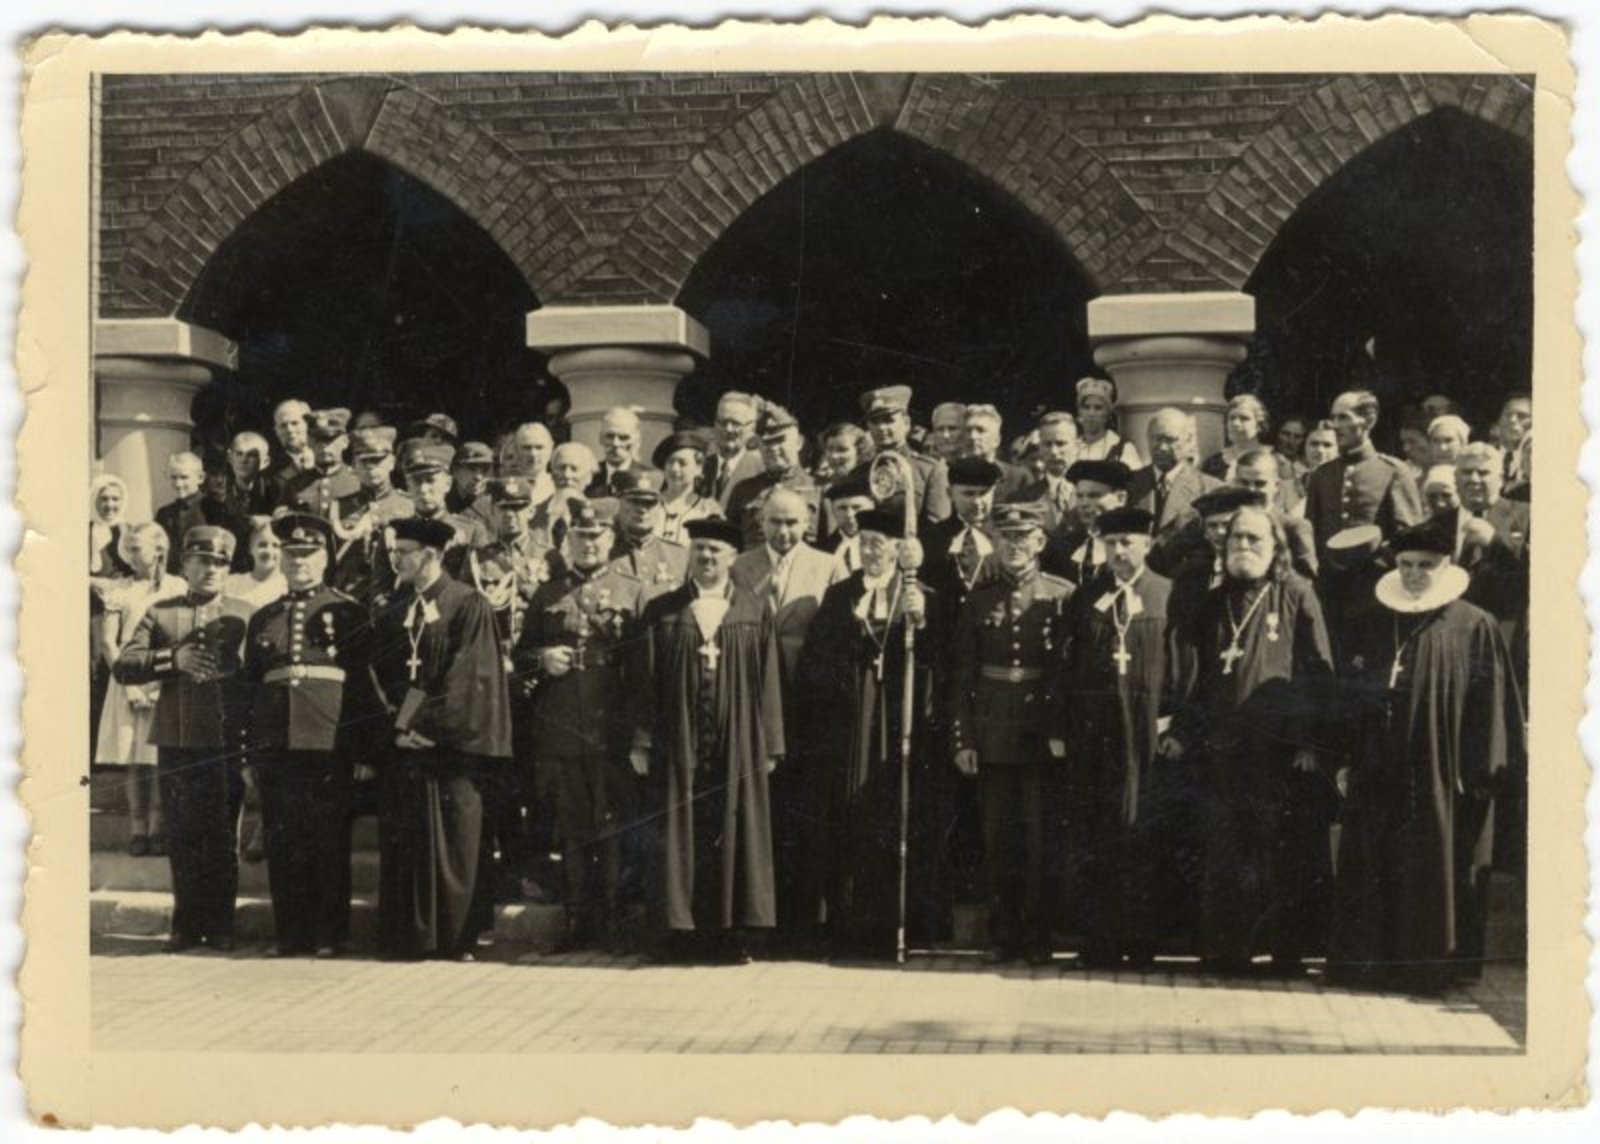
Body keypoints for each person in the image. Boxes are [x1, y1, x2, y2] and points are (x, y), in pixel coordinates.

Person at [1328, 518, 1524, 993]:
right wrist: (1345, 757)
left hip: (1441, 770)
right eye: (1406, 564)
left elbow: (1491, 705)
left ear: (1445, 566)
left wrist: (1479, 772)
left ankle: (1426, 969)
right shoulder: (1373, 618)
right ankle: (1367, 964)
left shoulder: (1473, 624)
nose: (1414, 574)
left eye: (1425, 566)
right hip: (1378, 765)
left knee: (1431, 865)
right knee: (1374, 859)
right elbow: (1351, 698)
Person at [1166, 507, 1336, 976]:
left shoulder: (1296, 592)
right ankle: (1227, 951)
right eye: (1236, 538)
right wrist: (1182, 731)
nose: (1243, 546)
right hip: (1222, 748)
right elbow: (1197, 676)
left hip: (1280, 751)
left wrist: (1311, 743)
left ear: (1276, 546)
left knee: (1280, 852)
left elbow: (1318, 671)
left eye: (1254, 539)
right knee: (1225, 850)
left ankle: (1285, 954)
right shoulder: (1213, 600)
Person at [631, 517, 785, 964]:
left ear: (732, 557)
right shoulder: (663, 611)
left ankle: (731, 936)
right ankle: (678, 934)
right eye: (699, 548)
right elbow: (643, 683)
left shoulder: (753, 609)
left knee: (732, 828)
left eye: (716, 550)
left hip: (738, 741)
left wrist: (771, 744)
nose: (707, 557)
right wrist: (641, 741)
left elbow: (769, 680)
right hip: (678, 741)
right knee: (679, 831)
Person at [796, 506, 939, 956]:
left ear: (898, 549)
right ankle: (845, 924)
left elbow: (935, 660)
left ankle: (891, 926)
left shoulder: (917, 595)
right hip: (849, 723)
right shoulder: (841, 595)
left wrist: (922, 621)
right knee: (844, 816)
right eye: (865, 543)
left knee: (893, 814)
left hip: (896, 721)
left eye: (879, 543)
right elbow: (816, 660)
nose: (870, 551)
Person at [370, 515, 514, 961]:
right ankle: (410, 937)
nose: (396, 560)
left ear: (430, 555)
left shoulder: (468, 604)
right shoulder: (396, 608)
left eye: (404, 552)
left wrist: (422, 725)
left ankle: (455, 938)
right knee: (408, 840)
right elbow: (381, 676)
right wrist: (396, 727)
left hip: (452, 750)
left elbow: (470, 677)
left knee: (455, 842)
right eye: (394, 552)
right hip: (406, 748)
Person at [241, 513, 378, 958]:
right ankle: (290, 934)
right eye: (292, 554)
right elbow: (251, 687)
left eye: (308, 554)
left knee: (327, 838)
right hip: (276, 743)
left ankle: (329, 934)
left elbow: (362, 688)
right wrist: (250, 751)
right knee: (283, 838)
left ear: (325, 560)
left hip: (328, 742)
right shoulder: (263, 617)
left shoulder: (349, 612)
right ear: (281, 560)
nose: (299, 561)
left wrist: (363, 751)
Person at [112, 526, 253, 952]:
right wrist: (174, 658)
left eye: (220, 563)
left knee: (221, 836)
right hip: (177, 739)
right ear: (185, 565)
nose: (211, 570)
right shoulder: (161, 612)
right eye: (202, 561)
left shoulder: (246, 615)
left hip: (226, 741)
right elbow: (125, 665)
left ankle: (221, 925)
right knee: (183, 834)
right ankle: (187, 925)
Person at [516, 499, 648, 952]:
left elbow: (644, 666)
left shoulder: (633, 591)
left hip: (611, 725)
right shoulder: (547, 593)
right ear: (568, 541)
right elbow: (520, 656)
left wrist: (638, 733)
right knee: (572, 826)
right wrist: (542, 658)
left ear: (611, 540)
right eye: (580, 536)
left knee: (611, 824)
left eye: (597, 536)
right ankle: (577, 921)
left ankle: (611, 922)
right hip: (561, 727)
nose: (589, 543)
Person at [1058, 506, 1183, 968]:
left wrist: (1175, 724)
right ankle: (1100, 941)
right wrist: (1065, 728)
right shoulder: (1087, 596)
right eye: (1110, 544)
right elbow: (1068, 666)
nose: (1119, 552)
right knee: (1098, 833)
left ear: (1146, 545)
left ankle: (1143, 940)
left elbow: (1183, 665)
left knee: (1145, 830)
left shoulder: (1168, 594)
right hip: (1097, 737)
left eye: (1128, 542)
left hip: (1149, 735)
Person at [951, 502, 1071, 965]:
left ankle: (1038, 935)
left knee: (1040, 839)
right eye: (1005, 537)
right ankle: (1003, 934)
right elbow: (962, 675)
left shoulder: (1061, 595)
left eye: (1023, 537)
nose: (1014, 545)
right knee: (999, 838)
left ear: (1040, 541)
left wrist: (1061, 730)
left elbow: (1068, 672)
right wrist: (964, 739)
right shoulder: (978, 600)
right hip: (993, 731)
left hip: (1041, 731)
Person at [731, 487, 844, 948]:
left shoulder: (828, 566)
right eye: (775, 522)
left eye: (792, 522)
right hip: (756, 706)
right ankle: (762, 921)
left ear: (807, 524)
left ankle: (806, 922)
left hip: (809, 707)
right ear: (762, 523)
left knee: (808, 813)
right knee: (763, 813)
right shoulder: (740, 566)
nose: (783, 531)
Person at [94, 522, 188, 855]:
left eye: (137, 548)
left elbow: (181, 639)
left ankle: (159, 828)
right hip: (126, 680)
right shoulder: (120, 589)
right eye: (129, 548)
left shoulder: (177, 587)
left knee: (160, 756)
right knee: (134, 758)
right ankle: (138, 830)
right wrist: (130, 685)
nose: (131, 555)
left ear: (159, 549)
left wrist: (162, 684)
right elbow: (108, 642)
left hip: (165, 679)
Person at [1302, 390, 1425, 567]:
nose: (1335, 425)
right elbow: (1309, 534)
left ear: (1369, 420)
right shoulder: (1322, 475)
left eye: (1343, 418)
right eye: (1333, 418)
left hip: (1375, 576)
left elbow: (1408, 534)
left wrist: (1381, 560)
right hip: (1329, 577)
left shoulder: (1393, 471)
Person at [331, 425, 415, 602]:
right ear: (354, 465)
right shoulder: (339, 507)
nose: (371, 468)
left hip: (394, 599)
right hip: (349, 599)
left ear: (391, 463)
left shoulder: (409, 506)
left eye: (378, 460)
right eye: (364, 462)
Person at [725, 405, 823, 550]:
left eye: (779, 440)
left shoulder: (818, 489)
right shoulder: (743, 491)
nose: (773, 448)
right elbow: (729, 545)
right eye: (766, 443)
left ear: (798, 442)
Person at [852, 385, 952, 527]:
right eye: (874, 421)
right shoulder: (859, 473)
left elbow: (938, 526)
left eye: (888, 420)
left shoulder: (930, 470)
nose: (881, 427)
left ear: (906, 423)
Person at [1125, 408, 1222, 534]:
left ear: (1188, 441)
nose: (1162, 447)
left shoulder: (1210, 489)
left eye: (1170, 440)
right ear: (1147, 438)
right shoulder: (1129, 484)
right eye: (1157, 439)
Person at [1044, 459, 1132, 585]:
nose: (1084, 504)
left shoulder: (1135, 549)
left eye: (1094, 496)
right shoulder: (1062, 547)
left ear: (1120, 498)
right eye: (1079, 496)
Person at [608, 470, 690, 599]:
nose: (642, 509)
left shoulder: (680, 557)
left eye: (649, 503)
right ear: (617, 504)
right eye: (634, 501)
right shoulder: (603, 554)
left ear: (660, 507)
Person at [155, 451, 238, 573]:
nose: (178, 483)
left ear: (200, 478)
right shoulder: (164, 514)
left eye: (184, 477)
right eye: (173, 477)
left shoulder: (215, 509)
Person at [280, 408, 361, 521]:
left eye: (330, 440)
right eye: (318, 440)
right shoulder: (294, 485)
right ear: (309, 442)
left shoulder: (359, 482)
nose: (324, 446)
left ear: (345, 442)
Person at [652, 428, 723, 544]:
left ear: (698, 468)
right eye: (670, 462)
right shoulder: (650, 504)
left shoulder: (709, 510)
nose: (675, 469)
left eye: (682, 463)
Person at [1018, 412, 1081, 532]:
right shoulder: (1024, 499)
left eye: (1060, 444)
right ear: (1040, 447)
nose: (1054, 452)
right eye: (1047, 444)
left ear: (1077, 446)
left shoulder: (1095, 492)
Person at [704, 392, 766, 507]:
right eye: (723, 422)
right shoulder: (699, 467)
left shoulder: (760, 471)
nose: (728, 429)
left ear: (752, 429)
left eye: (736, 423)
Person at [962, 405, 1032, 503]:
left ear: (996, 440)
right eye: (968, 431)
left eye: (980, 430)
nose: (972, 436)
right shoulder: (951, 475)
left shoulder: (1019, 478)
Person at [587, 406, 660, 498]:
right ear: (600, 438)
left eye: (623, 437)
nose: (615, 443)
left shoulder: (651, 479)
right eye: (609, 436)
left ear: (637, 441)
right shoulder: (587, 476)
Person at [1201, 394, 1276, 482]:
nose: (1235, 423)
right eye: (1231, 418)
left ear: (1259, 425)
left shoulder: (1274, 458)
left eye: (1244, 418)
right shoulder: (1214, 463)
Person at [1072, 377, 1142, 468]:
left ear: (1107, 413)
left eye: (1098, 408)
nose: (1091, 413)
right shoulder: (1071, 447)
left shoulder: (1121, 448)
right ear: (1080, 412)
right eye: (1086, 407)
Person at [817, 469, 875, 576]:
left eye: (857, 507)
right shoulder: (821, 550)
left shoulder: (884, 546)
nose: (849, 515)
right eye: (842, 508)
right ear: (833, 510)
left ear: (871, 507)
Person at [445, 441, 498, 530]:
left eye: (485, 469)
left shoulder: (495, 506)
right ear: (454, 470)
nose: (478, 477)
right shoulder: (441, 503)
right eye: (471, 468)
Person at [91, 473, 135, 578]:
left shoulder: (130, 531)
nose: (110, 505)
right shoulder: (85, 531)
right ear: (94, 500)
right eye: (104, 499)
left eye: (115, 499)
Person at [504, 421, 557, 506]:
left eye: (539, 447)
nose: (533, 454)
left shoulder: (560, 487)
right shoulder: (503, 489)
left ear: (551, 449)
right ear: (516, 450)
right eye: (527, 448)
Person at [269, 399, 316, 484]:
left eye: (295, 423)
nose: (289, 430)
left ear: (309, 425)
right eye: (283, 426)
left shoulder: (326, 458)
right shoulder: (269, 472)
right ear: (276, 431)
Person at [1496, 392, 1532, 488]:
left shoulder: (1533, 460)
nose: (1512, 420)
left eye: (1522, 416)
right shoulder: (1486, 455)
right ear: (1499, 420)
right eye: (1507, 415)